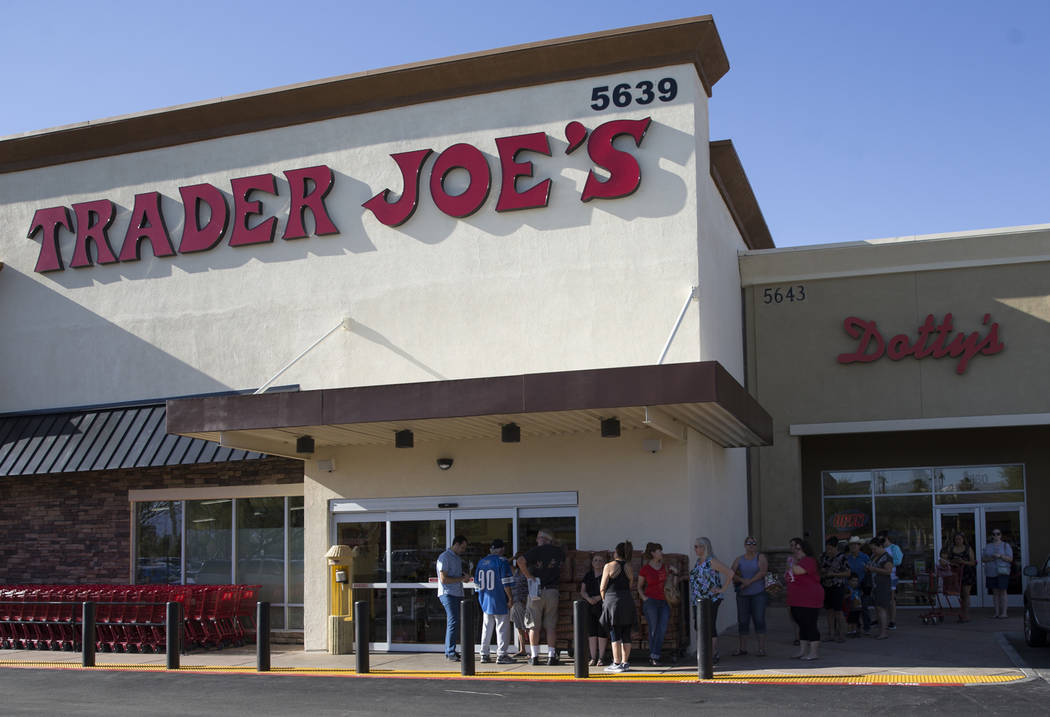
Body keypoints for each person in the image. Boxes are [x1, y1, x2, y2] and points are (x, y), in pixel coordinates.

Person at [517, 527, 566, 665]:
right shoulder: (559, 552)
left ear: (544, 539)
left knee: (534, 625)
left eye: (538, 537)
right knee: (551, 625)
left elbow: (520, 560)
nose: (537, 540)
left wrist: (529, 576)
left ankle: (534, 656)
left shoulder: (536, 551)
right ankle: (551, 656)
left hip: (536, 590)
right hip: (552, 590)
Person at [689, 536, 734, 664]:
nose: (695, 549)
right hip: (697, 600)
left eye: (697, 546)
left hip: (711, 599)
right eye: (694, 546)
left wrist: (721, 589)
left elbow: (730, 573)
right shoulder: (698, 562)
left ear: (704, 547)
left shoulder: (711, 561)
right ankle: (703, 652)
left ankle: (713, 652)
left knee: (709, 625)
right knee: (698, 626)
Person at [475, 538, 515, 664]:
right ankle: (502, 654)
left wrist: (482, 598)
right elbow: (506, 583)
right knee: (502, 627)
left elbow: (476, 584)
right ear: (502, 549)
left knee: (486, 627)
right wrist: (510, 598)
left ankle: (484, 653)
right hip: (499, 598)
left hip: (485, 599)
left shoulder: (481, 562)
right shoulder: (502, 562)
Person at [599, 541, 637, 673]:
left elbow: (602, 587)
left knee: (614, 632)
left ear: (616, 552)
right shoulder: (629, 566)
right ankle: (625, 663)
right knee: (626, 633)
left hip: (612, 600)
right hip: (627, 600)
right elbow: (630, 584)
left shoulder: (609, 566)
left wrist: (605, 601)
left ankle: (616, 663)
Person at [637, 542, 677, 666]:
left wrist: (675, 573)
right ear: (653, 553)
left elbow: (673, 585)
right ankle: (654, 656)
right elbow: (639, 587)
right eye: (659, 551)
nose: (661, 553)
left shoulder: (665, 567)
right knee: (653, 628)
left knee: (662, 628)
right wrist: (645, 598)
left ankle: (655, 655)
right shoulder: (645, 569)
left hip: (664, 601)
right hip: (651, 602)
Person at [785, 538, 824, 660]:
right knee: (801, 625)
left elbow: (797, 571)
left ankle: (814, 652)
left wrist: (791, 562)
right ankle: (802, 651)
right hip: (796, 599)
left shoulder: (809, 560)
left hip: (809, 598)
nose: (794, 550)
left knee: (810, 624)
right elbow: (789, 577)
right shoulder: (796, 562)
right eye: (792, 547)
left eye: (797, 548)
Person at [730, 536, 769, 656]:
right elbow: (731, 572)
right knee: (743, 621)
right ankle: (742, 648)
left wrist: (749, 582)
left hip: (758, 594)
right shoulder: (739, 559)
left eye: (753, 543)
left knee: (759, 619)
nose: (751, 545)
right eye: (749, 543)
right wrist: (742, 580)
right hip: (743, 595)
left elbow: (763, 572)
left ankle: (761, 649)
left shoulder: (760, 557)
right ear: (745, 545)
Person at [436, 535, 471, 661]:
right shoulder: (444, 557)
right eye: (462, 547)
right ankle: (450, 651)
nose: (463, 550)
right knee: (453, 621)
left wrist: (463, 577)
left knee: (456, 622)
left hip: (457, 593)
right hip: (448, 593)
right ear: (456, 544)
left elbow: (454, 575)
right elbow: (443, 579)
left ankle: (452, 650)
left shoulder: (457, 558)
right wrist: (461, 578)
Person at [579, 552, 608, 666]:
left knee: (601, 631)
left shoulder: (606, 575)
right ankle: (593, 657)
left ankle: (601, 658)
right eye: (595, 560)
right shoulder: (588, 575)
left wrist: (598, 598)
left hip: (602, 606)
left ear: (604, 563)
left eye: (600, 560)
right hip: (589, 606)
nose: (598, 562)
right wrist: (588, 598)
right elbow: (582, 591)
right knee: (592, 632)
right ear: (592, 563)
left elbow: (608, 589)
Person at [819, 537, 850, 642]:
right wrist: (822, 571)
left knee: (838, 611)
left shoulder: (842, 557)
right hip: (826, 586)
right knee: (829, 611)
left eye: (831, 548)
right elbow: (820, 569)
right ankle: (831, 633)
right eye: (827, 548)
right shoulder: (824, 557)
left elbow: (848, 573)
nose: (829, 551)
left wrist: (834, 574)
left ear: (836, 547)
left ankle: (842, 634)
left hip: (837, 586)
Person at [981, 528, 1013, 619]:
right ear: (991, 535)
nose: (996, 535)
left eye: (998, 533)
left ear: (1001, 535)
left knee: (1003, 591)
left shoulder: (1005, 545)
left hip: (1002, 571)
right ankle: (996, 612)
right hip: (991, 572)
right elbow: (983, 559)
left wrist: (1000, 556)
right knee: (995, 593)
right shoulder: (988, 546)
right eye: (994, 534)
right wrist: (992, 558)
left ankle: (1004, 613)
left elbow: (1010, 559)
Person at [844, 536, 872, 635]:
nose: (853, 547)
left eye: (855, 544)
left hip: (863, 585)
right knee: (853, 608)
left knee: (864, 607)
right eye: (851, 545)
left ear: (859, 546)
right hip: (851, 586)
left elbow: (870, 570)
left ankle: (867, 628)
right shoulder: (847, 558)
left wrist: (867, 569)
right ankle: (856, 628)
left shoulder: (865, 557)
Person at [866, 536, 893, 639]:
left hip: (883, 586)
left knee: (882, 609)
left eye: (874, 549)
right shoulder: (874, 556)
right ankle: (881, 630)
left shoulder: (887, 557)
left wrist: (874, 569)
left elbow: (888, 571)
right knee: (877, 608)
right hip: (875, 585)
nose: (873, 551)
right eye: (872, 549)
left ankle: (884, 632)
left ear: (880, 546)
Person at [948, 532, 976, 623]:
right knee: (960, 595)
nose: (958, 540)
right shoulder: (952, 548)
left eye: (960, 539)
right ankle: (962, 614)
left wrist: (963, 562)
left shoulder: (968, 548)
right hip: (956, 574)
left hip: (967, 573)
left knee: (966, 594)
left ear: (963, 539)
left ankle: (966, 615)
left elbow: (973, 562)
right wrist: (953, 562)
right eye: (956, 539)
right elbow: (948, 560)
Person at [878, 530, 903, 630]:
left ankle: (892, 621)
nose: (880, 541)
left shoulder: (894, 548)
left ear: (886, 538)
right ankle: (883, 619)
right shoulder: (880, 548)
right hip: (882, 576)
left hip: (892, 576)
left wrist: (887, 564)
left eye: (881, 539)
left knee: (891, 599)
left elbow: (898, 561)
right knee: (883, 600)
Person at [509, 551, 530, 656]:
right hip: (516, 601)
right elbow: (504, 564)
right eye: (518, 560)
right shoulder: (515, 571)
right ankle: (523, 649)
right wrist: (513, 557)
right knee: (519, 626)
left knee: (529, 626)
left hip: (526, 601)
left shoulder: (528, 571)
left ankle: (531, 649)